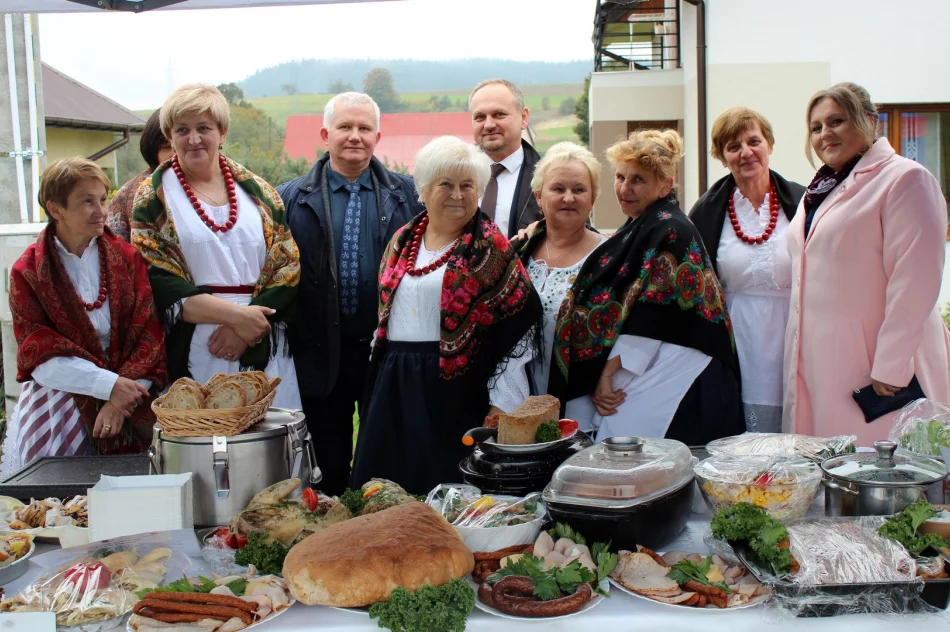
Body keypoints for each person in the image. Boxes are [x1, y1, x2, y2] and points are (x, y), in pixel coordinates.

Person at [351, 136, 542, 494]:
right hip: (394, 383)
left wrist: (502, 400)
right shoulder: (401, 242)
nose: (457, 194)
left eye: (468, 185)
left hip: (454, 389)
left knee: (445, 495)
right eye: (446, 184)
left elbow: (519, 323)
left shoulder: (490, 248)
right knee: (382, 493)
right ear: (423, 190)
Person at [549, 129, 744, 444]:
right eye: (621, 177)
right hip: (651, 366)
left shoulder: (671, 230)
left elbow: (655, 315)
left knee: (634, 463)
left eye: (638, 179)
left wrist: (606, 372)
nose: (625, 188)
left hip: (677, 372)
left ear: (665, 185)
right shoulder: (645, 224)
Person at [784, 82, 950, 446]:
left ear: (870, 122)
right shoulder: (819, 191)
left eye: (836, 121)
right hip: (819, 362)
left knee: (884, 476)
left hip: (878, 371)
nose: (825, 133)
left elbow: (916, 280)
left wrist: (891, 365)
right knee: (829, 474)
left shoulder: (906, 179)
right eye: (816, 127)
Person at [277, 92, 422, 495]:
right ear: (326, 134)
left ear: (378, 135)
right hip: (320, 352)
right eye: (345, 127)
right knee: (328, 463)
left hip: (387, 349)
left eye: (363, 128)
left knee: (387, 459)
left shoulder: (408, 195)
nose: (354, 136)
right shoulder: (289, 198)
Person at [132, 84, 301, 409]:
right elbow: (157, 279)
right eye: (183, 130)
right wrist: (237, 318)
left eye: (204, 128)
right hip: (198, 342)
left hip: (260, 335)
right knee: (205, 449)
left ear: (221, 133)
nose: (194, 138)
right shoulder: (154, 198)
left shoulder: (260, 192)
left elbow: (288, 265)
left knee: (269, 447)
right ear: (170, 135)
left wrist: (246, 329)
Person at [0, 158, 167, 476]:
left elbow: (150, 334)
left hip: (133, 395)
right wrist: (107, 386)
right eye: (87, 202)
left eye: (103, 199)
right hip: (60, 401)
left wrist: (119, 400)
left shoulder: (127, 258)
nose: (101, 211)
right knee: (61, 506)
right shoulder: (28, 271)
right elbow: (39, 353)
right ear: (55, 208)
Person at [689, 107, 805, 433]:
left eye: (754, 141)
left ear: (768, 144)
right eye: (733, 147)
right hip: (738, 341)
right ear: (722, 157)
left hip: (794, 335)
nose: (746, 153)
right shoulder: (706, 211)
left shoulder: (804, 202)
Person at [513, 142, 606, 400]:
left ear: (593, 199)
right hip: (515, 398)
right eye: (557, 188)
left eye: (579, 189)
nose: (568, 197)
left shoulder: (611, 259)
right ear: (539, 197)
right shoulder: (518, 253)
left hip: (582, 401)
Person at [469, 79, 542, 239]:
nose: (488, 124)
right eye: (480, 117)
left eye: (499, 114)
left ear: (523, 118)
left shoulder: (549, 179)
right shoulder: (454, 175)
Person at [107, 109, 174, 242]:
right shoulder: (128, 195)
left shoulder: (222, 183)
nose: (177, 153)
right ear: (153, 151)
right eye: (167, 146)